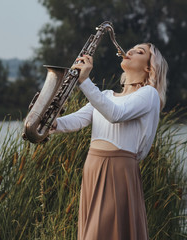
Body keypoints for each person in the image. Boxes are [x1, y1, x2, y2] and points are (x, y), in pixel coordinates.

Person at [50, 43, 168, 240]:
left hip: (118, 170)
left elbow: (116, 114)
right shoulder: (105, 96)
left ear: (149, 68)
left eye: (140, 52)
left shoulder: (149, 95)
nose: (129, 51)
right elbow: (78, 120)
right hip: (93, 166)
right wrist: (50, 124)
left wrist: (85, 81)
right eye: (131, 48)